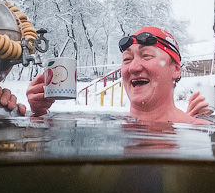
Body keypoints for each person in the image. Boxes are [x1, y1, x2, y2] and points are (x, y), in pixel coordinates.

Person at [26, 26, 205, 122]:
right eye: (127, 59)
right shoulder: (104, 123)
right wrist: (39, 115)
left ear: (176, 69)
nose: (134, 68)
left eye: (147, 55)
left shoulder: (200, 132)